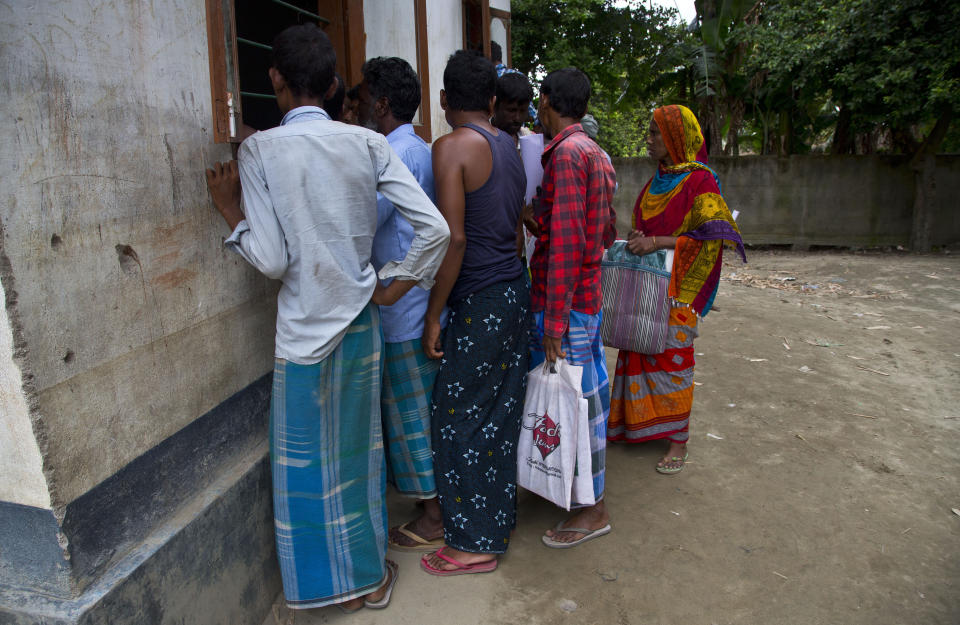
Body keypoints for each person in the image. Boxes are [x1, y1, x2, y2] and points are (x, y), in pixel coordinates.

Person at [204, 24, 450, 612]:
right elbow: (436, 229)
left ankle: (321, 590)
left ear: (275, 80)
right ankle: (371, 579)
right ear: (336, 84)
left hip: (301, 334)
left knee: (306, 475)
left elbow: (270, 259)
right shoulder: (367, 144)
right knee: (359, 463)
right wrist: (391, 285)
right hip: (361, 325)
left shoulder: (259, 150)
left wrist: (229, 210)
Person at [420, 50, 529, 576]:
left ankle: (473, 542)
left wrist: (433, 315)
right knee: (500, 414)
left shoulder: (451, 148)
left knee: (455, 414)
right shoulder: (508, 146)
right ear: (491, 100)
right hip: (513, 289)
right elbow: (511, 228)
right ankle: (492, 523)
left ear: (443, 100)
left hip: (480, 298)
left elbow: (453, 238)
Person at [607, 104, 745, 474]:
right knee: (638, 345)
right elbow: (648, 226)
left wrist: (657, 243)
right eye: (650, 133)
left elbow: (713, 238)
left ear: (675, 138)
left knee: (673, 359)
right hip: (649, 285)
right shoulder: (659, 178)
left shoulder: (702, 181)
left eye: (655, 133)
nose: (648, 140)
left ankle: (678, 440)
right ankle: (635, 426)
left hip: (679, 290)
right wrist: (640, 239)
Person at [355, 55, 447, 552]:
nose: (356, 108)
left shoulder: (394, 154)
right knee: (421, 413)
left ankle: (434, 515)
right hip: (414, 305)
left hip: (402, 310)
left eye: (364, 98)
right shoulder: (418, 147)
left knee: (411, 415)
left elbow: (367, 218)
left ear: (383, 104)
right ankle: (430, 501)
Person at [527, 67, 617, 548]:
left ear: (546, 103)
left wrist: (554, 325)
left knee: (577, 404)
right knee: (585, 398)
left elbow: (565, 245)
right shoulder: (596, 154)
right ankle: (578, 494)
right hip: (587, 300)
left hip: (566, 304)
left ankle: (593, 508)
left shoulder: (564, 154)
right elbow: (601, 230)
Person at [492, 72, 534, 146]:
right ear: (495, 106)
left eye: (522, 111)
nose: (517, 118)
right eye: (511, 110)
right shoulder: (481, 139)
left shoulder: (530, 140)